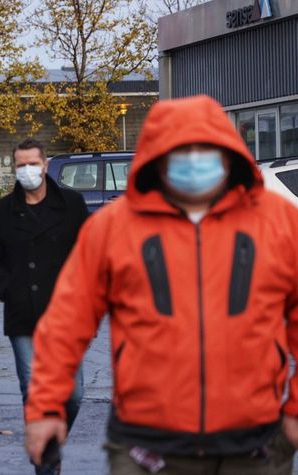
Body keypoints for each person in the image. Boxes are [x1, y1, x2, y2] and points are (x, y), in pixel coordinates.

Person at [25, 95, 298, 475]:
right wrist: (46, 407)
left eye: (204, 149)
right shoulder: (114, 227)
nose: (193, 160)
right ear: (157, 156)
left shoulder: (279, 221)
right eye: (180, 151)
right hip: (146, 447)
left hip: (255, 446)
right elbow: (66, 323)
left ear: (227, 152)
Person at [0, 138, 89, 475]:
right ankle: (46, 459)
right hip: (23, 314)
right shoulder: (1, 212)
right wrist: (11, 290)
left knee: (74, 394)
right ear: (16, 168)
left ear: (45, 165)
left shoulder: (71, 204)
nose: (27, 170)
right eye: (20, 165)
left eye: (32, 164)